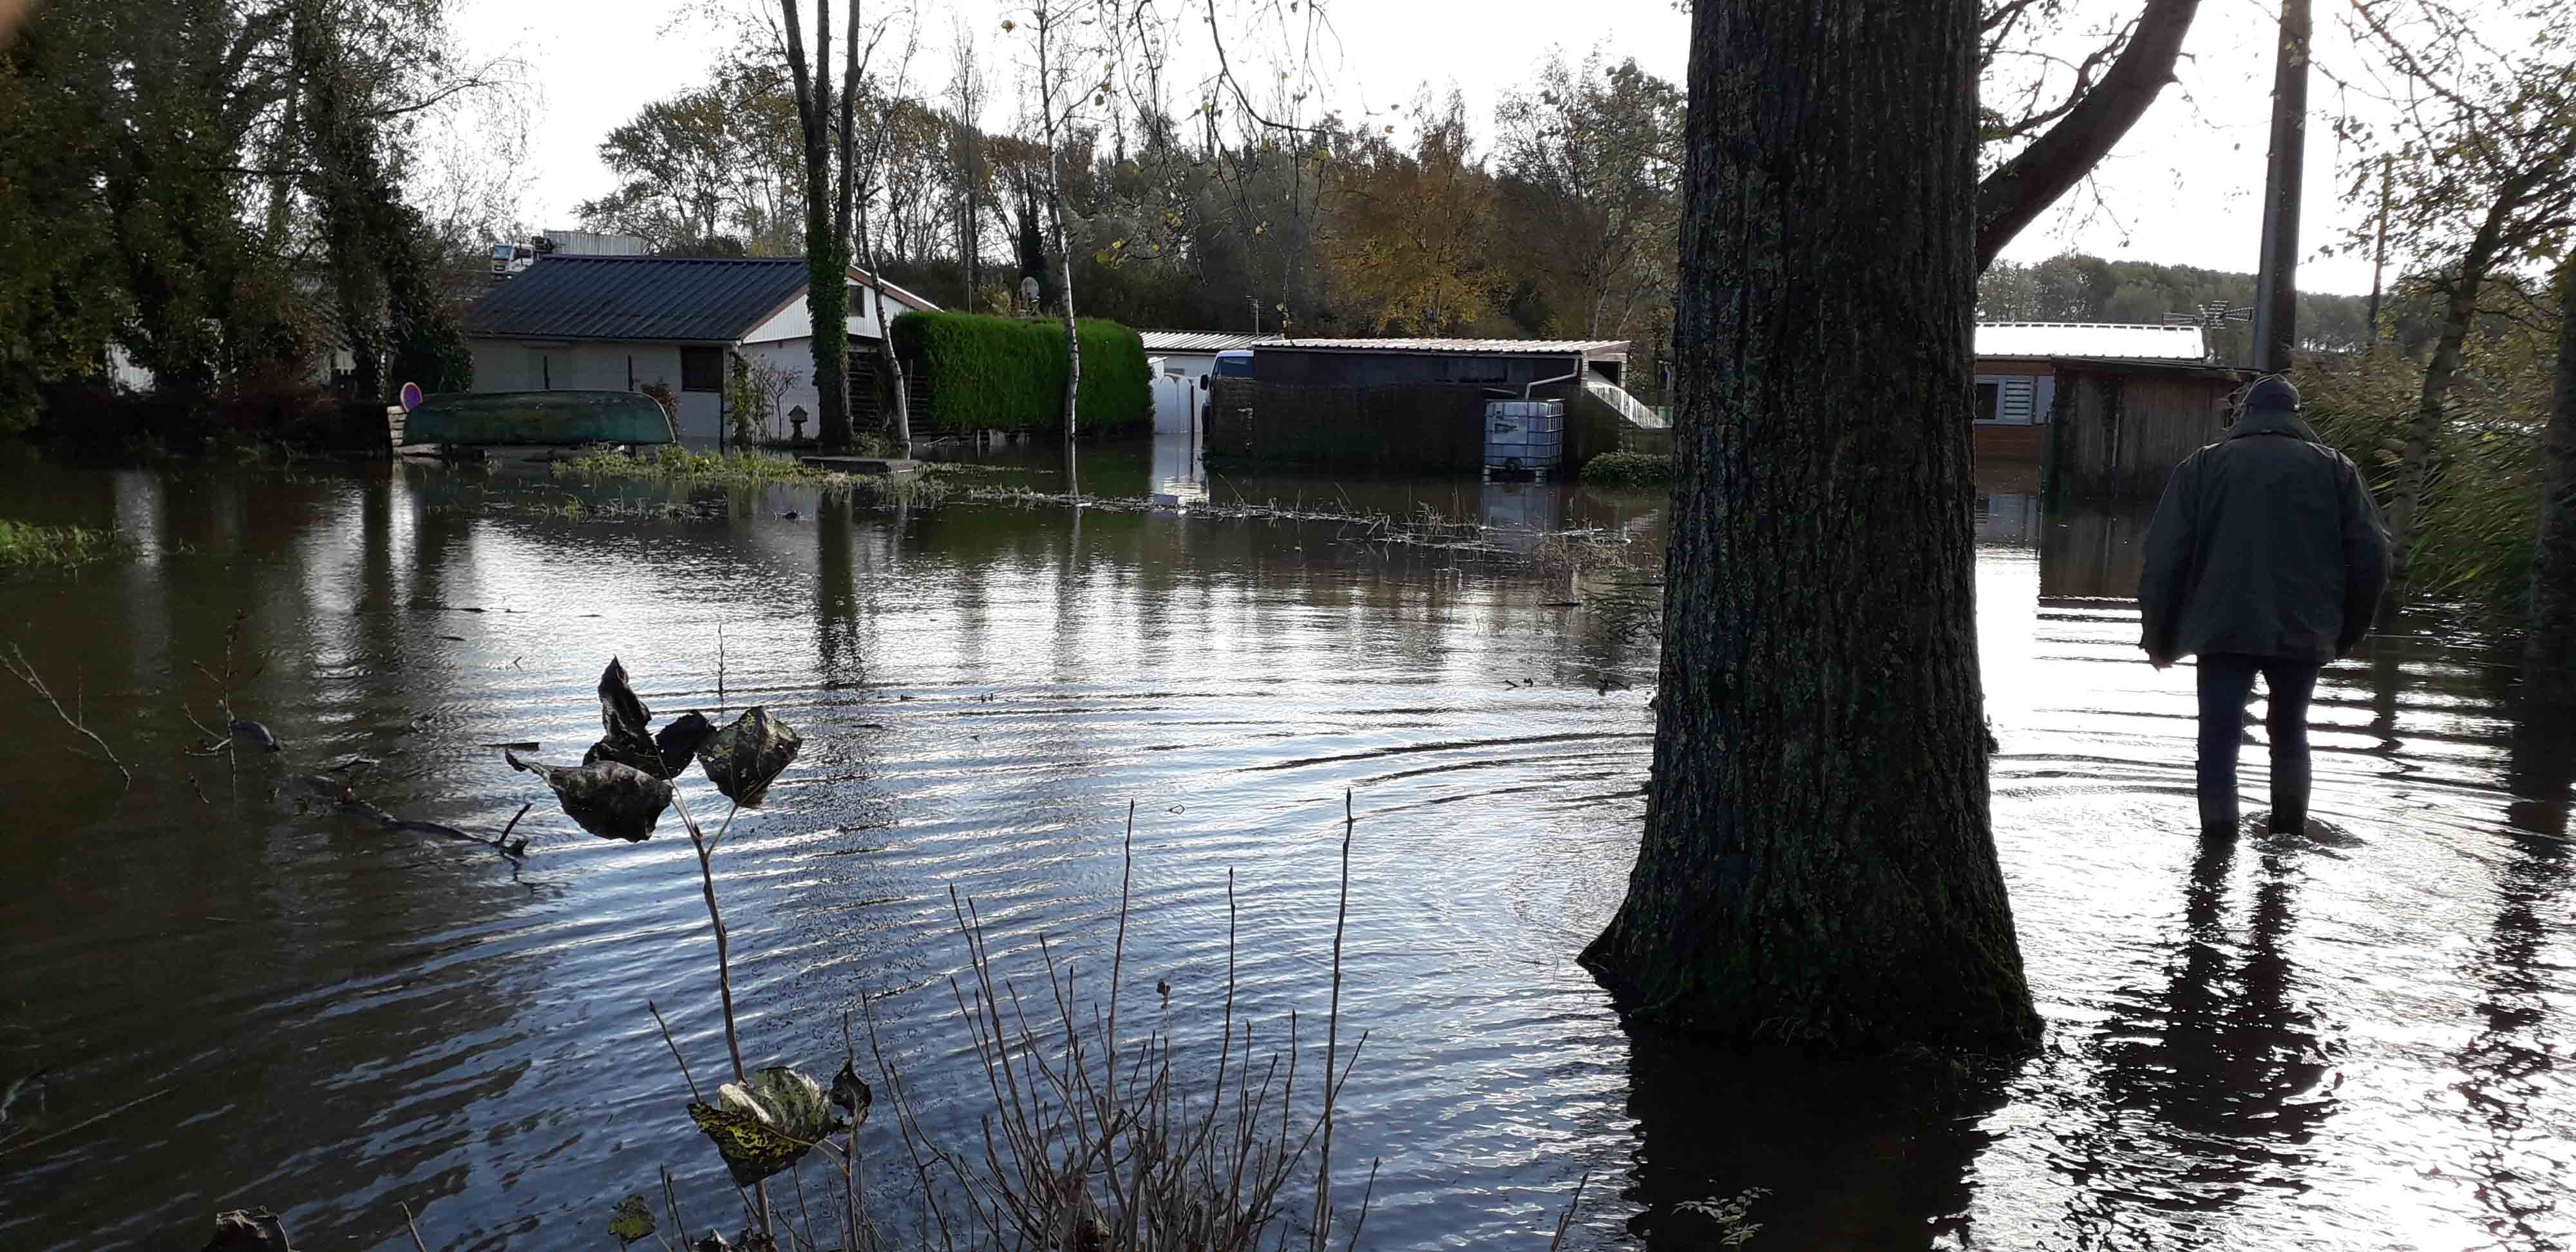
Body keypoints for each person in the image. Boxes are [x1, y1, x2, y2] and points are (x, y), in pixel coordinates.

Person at [2139, 376, 2389, 837]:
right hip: (2304, 631)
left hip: (2221, 630)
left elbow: (2163, 556)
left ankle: (2216, 844)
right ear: (2297, 415)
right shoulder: (2336, 469)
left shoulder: (2203, 466)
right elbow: (2371, 556)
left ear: (2245, 416)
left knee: (2218, 739)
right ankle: (2289, 834)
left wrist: (2158, 635)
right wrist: (2348, 631)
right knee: (2290, 731)